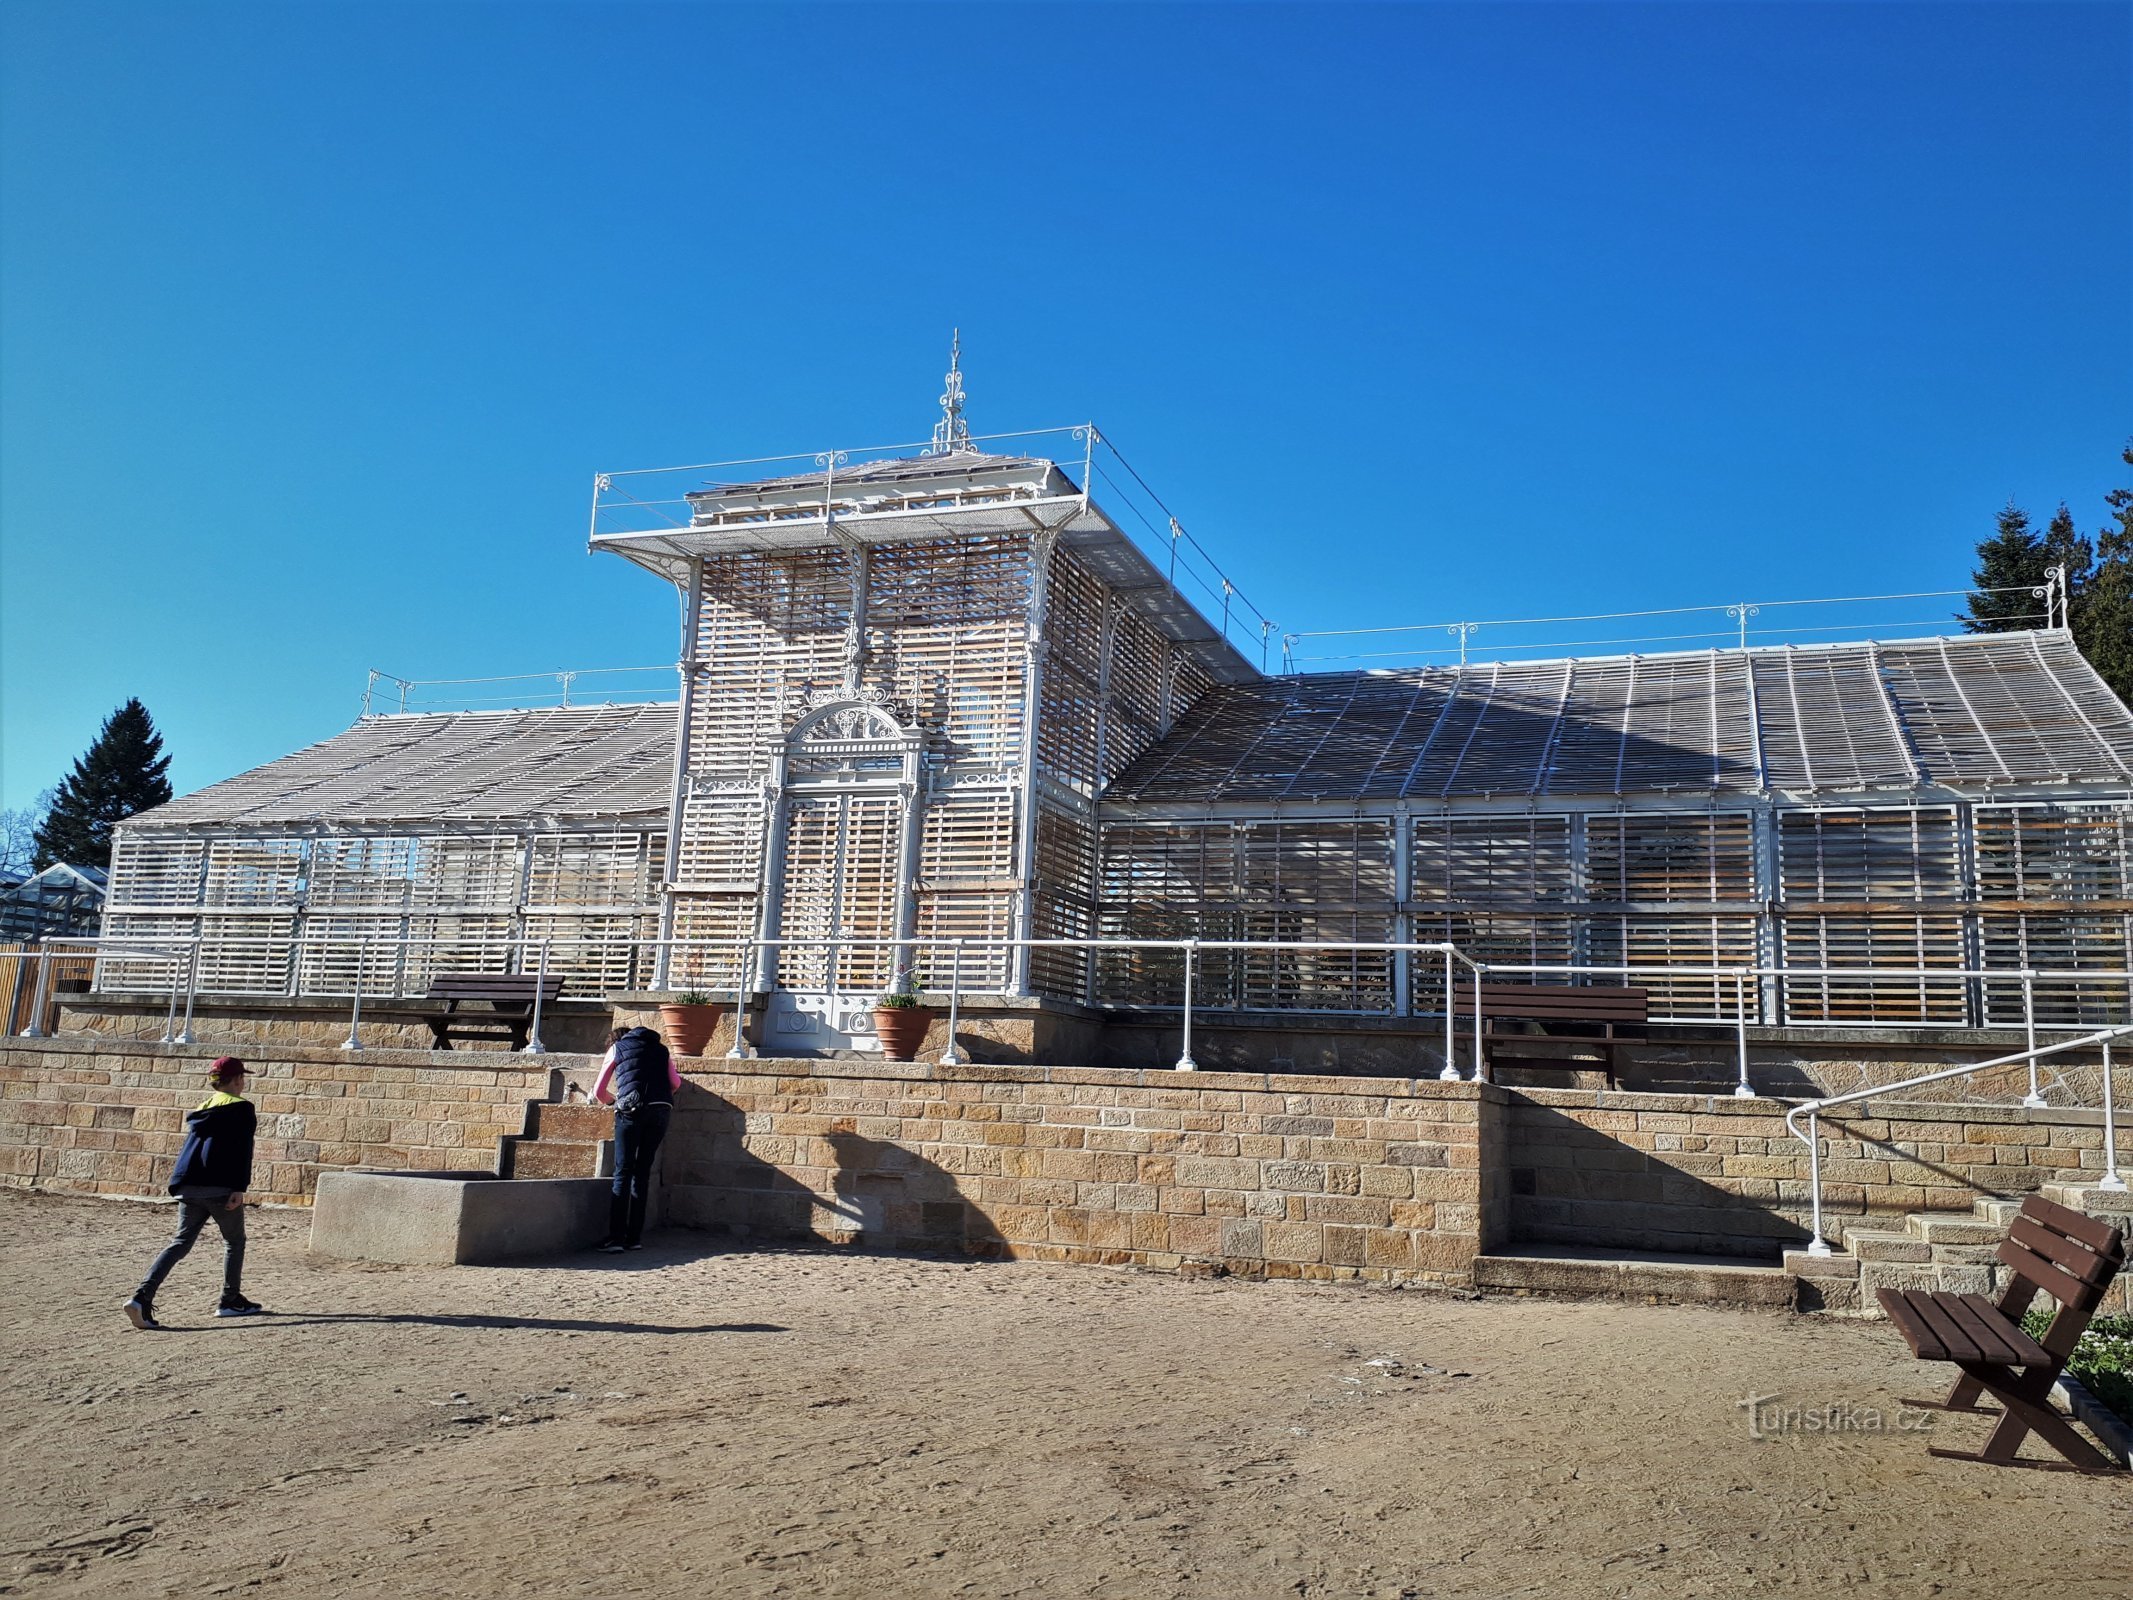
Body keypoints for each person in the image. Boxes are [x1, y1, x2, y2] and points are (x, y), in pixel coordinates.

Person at [125, 1056, 265, 1328]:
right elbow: (242, 1150)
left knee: (179, 1243)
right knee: (234, 1242)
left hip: (189, 1184)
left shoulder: (203, 1107)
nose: (244, 1081)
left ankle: (142, 1297)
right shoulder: (242, 1108)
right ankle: (229, 1300)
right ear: (237, 1080)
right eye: (242, 1077)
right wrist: (239, 1188)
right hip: (221, 1186)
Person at [589, 1025, 680, 1253]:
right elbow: (676, 1084)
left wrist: (613, 1102)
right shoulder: (662, 1050)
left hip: (631, 1110)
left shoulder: (618, 1048)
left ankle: (616, 1239)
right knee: (642, 1173)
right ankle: (634, 1238)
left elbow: (599, 1091)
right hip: (661, 1110)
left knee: (623, 1172)